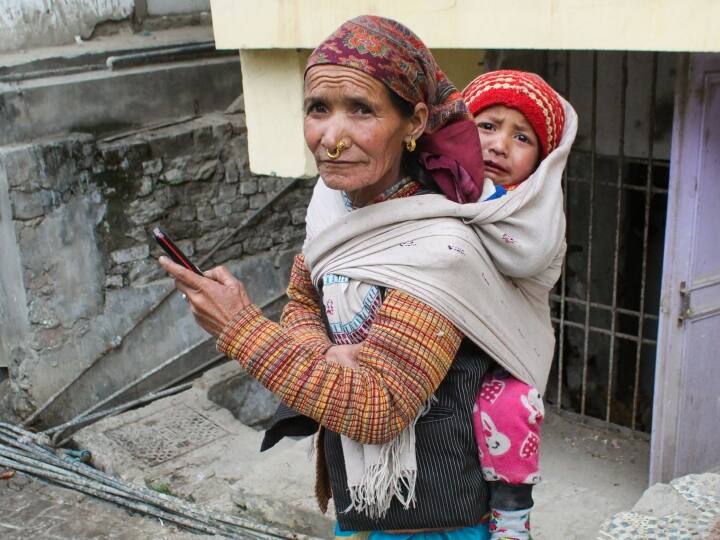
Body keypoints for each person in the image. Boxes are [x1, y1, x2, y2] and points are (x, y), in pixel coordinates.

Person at [159, 15, 577, 539]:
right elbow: (302, 296)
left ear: (415, 122)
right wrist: (324, 351)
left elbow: (378, 408)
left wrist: (240, 328)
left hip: (433, 517)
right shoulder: (335, 210)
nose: (332, 139)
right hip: (360, 500)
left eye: (361, 109)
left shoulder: (437, 248)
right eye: (318, 108)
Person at [462, 70, 567, 540]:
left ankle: (511, 516)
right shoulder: (428, 186)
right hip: (443, 345)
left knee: (514, 406)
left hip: (508, 350)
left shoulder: (533, 207)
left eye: (521, 137)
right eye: (487, 126)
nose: (499, 145)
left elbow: (527, 254)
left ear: (542, 161)